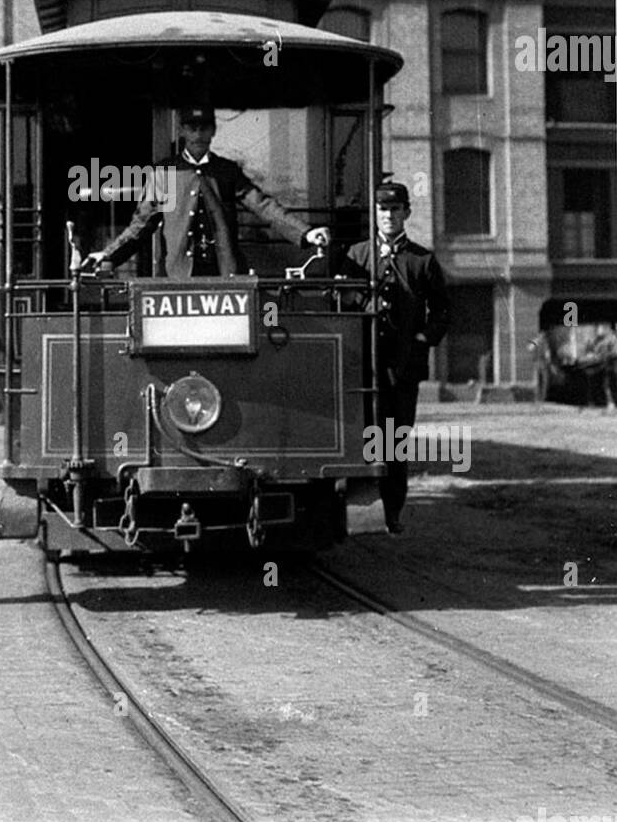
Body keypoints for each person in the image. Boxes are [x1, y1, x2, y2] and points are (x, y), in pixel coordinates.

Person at [81, 105, 331, 279]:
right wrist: (108, 254)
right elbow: (141, 226)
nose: (198, 134)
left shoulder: (226, 171)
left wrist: (305, 233)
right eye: (192, 128)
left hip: (224, 275)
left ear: (213, 131)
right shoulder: (164, 173)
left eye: (204, 128)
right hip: (178, 277)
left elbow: (263, 205)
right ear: (182, 131)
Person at [339, 182, 450, 533]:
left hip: (402, 368)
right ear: (375, 214)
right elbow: (340, 301)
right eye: (382, 210)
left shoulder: (422, 260)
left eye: (395, 209)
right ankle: (356, 508)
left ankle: (392, 510)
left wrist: (423, 338)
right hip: (362, 366)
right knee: (360, 434)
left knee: (394, 438)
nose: (388, 216)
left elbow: (443, 310)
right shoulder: (356, 256)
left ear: (406, 213)